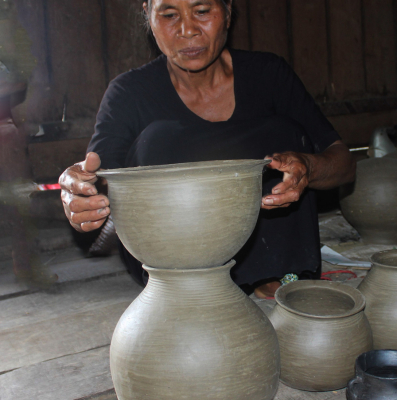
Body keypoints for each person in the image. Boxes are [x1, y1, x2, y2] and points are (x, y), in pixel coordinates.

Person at [59, 0, 355, 297]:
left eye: (201, 12)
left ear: (227, 11)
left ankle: (275, 281)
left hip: (272, 262)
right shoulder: (129, 94)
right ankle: (189, 294)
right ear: (148, 16)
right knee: (158, 138)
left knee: (283, 132)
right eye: (169, 15)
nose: (187, 30)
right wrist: (80, 193)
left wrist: (308, 167)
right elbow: (98, 178)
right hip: (175, 271)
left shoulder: (269, 74)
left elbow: (342, 162)